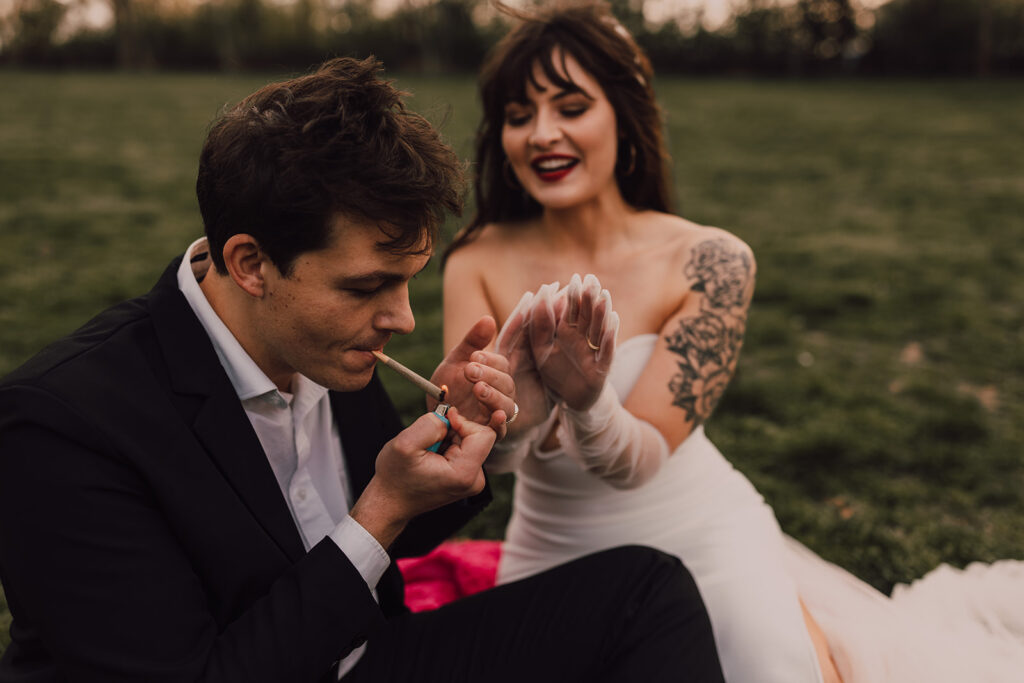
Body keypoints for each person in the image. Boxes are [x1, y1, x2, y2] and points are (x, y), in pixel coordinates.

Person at [0, 57, 727, 682]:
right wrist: (379, 509)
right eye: (366, 285)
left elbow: (381, 530)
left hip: (367, 659)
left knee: (645, 589)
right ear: (251, 264)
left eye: (407, 278)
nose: (404, 319)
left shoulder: (311, 337)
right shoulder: (62, 423)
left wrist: (469, 434)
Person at [442, 3, 1024, 683]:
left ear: (624, 115)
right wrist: (516, 419)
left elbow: (642, 458)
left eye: (570, 106)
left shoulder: (712, 261)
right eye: (518, 115)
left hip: (701, 539)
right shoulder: (477, 259)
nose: (542, 133)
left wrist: (589, 400)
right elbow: (493, 458)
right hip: (552, 550)